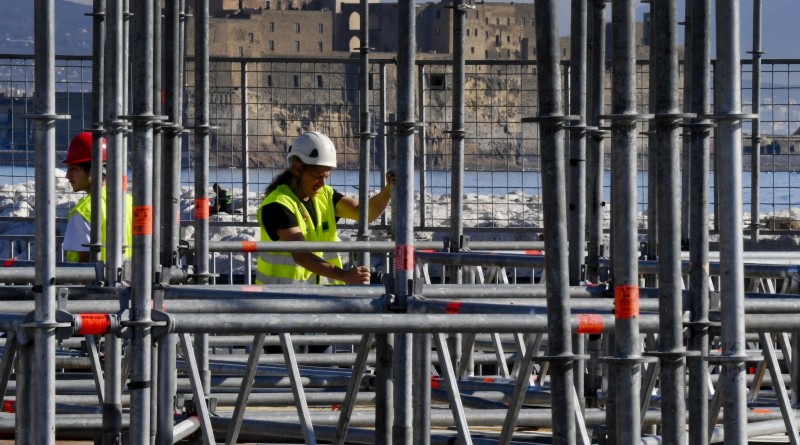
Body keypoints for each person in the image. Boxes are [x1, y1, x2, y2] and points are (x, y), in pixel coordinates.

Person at [256, 131, 395, 285]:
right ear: (297, 167)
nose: (322, 183)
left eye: (326, 177)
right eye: (317, 176)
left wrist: (388, 190)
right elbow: (301, 254)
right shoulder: (277, 205)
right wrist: (344, 275)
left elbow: (363, 213)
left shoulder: (325, 195)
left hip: (320, 297)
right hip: (280, 298)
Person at [62, 132, 133, 263]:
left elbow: (84, 270)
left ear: (94, 170)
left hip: (97, 282)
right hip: (129, 281)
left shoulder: (84, 210)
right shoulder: (129, 201)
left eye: (73, 168)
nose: (67, 175)